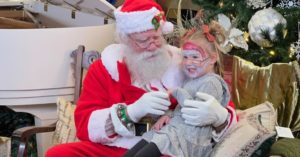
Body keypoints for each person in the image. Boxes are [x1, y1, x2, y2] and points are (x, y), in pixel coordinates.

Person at [45, 0, 237, 157]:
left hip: (165, 148)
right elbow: (83, 125)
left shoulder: (185, 63)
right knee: (58, 154)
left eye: (156, 38)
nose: (152, 46)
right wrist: (129, 113)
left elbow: (218, 98)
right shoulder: (105, 68)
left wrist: (220, 116)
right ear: (125, 40)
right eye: (144, 41)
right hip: (113, 147)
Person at [124, 22, 231, 157]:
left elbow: (194, 115)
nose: (188, 62)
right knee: (143, 142)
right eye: (185, 57)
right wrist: (168, 115)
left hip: (191, 139)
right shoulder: (191, 79)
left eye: (195, 57)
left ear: (213, 58)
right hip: (176, 130)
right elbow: (180, 109)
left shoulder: (212, 82)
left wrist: (176, 91)